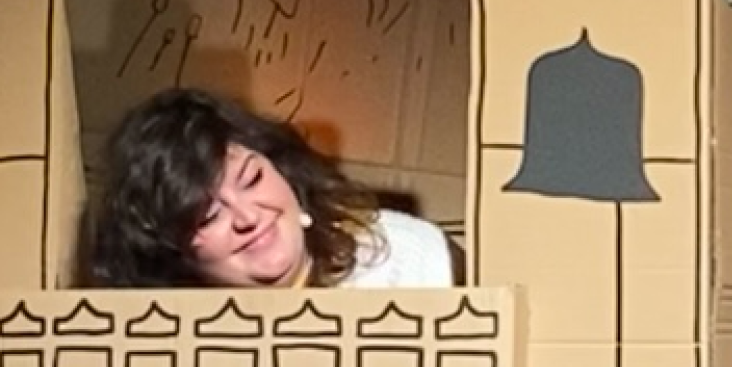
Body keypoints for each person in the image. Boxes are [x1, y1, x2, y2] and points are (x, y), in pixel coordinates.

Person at [85, 87, 456, 290]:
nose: (247, 217)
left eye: (252, 179)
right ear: (176, 257)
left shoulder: (407, 259)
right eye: (209, 216)